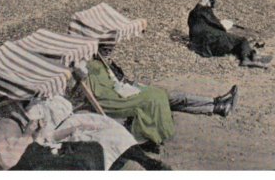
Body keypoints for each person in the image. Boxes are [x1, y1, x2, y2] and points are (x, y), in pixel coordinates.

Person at [83, 41, 239, 150]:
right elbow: (107, 91)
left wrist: (137, 86)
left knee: (174, 99)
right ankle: (216, 106)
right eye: (106, 48)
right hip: (129, 95)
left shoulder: (107, 63)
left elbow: (122, 81)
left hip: (133, 90)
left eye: (111, 48)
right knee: (173, 98)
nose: (109, 51)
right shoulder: (96, 67)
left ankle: (216, 104)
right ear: (98, 49)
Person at [187, 0, 270, 67]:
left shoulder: (192, 13)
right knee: (241, 40)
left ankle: (253, 56)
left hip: (199, 44)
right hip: (210, 41)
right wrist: (224, 28)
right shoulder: (205, 10)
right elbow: (218, 25)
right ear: (208, 3)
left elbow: (193, 31)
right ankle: (247, 59)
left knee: (234, 43)